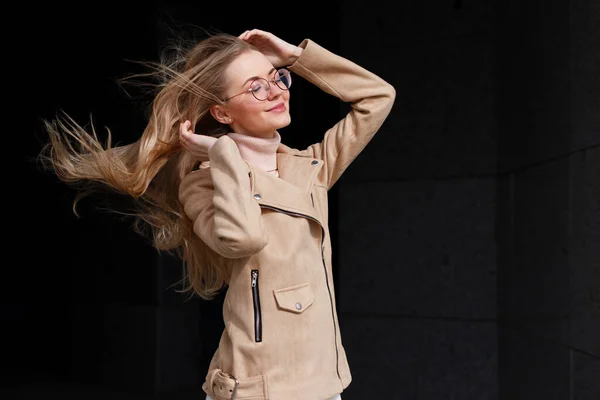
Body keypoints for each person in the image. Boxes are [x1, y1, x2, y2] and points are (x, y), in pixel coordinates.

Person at [40, 27, 395, 400]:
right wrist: (222, 155)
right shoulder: (203, 185)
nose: (276, 92)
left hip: (324, 379)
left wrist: (297, 57)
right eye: (256, 86)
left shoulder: (310, 169)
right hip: (257, 387)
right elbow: (244, 238)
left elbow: (378, 97)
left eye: (277, 78)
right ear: (222, 112)